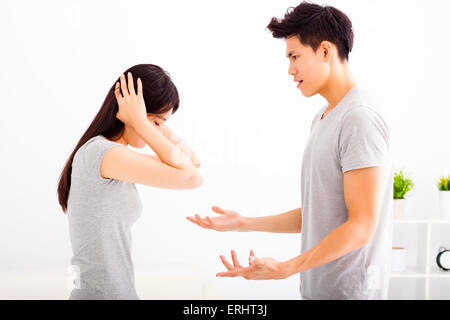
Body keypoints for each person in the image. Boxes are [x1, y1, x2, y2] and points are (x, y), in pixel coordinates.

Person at [187, 2, 393, 300]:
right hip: (317, 291)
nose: (290, 69)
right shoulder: (324, 117)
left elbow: (362, 226)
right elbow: (319, 213)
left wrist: (286, 268)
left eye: (294, 56)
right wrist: (244, 223)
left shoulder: (359, 117)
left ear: (325, 51)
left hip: (350, 294)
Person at [57, 64, 202, 299]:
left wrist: (154, 123)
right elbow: (192, 178)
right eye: (157, 122)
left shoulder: (115, 157)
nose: (157, 130)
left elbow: (192, 164)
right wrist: (143, 124)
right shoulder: (102, 153)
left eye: (161, 124)